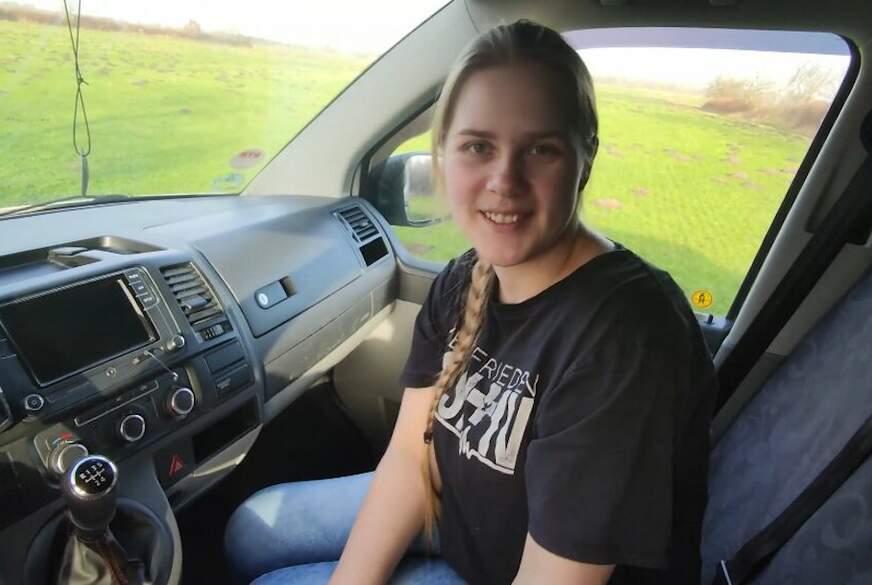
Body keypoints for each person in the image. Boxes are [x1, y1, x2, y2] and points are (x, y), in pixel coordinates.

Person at [224, 20, 716, 585]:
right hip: (459, 520)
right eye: (479, 146)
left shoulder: (626, 338)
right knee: (250, 530)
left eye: (541, 149)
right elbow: (411, 459)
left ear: (586, 159)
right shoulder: (464, 277)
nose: (505, 180)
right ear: (442, 156)